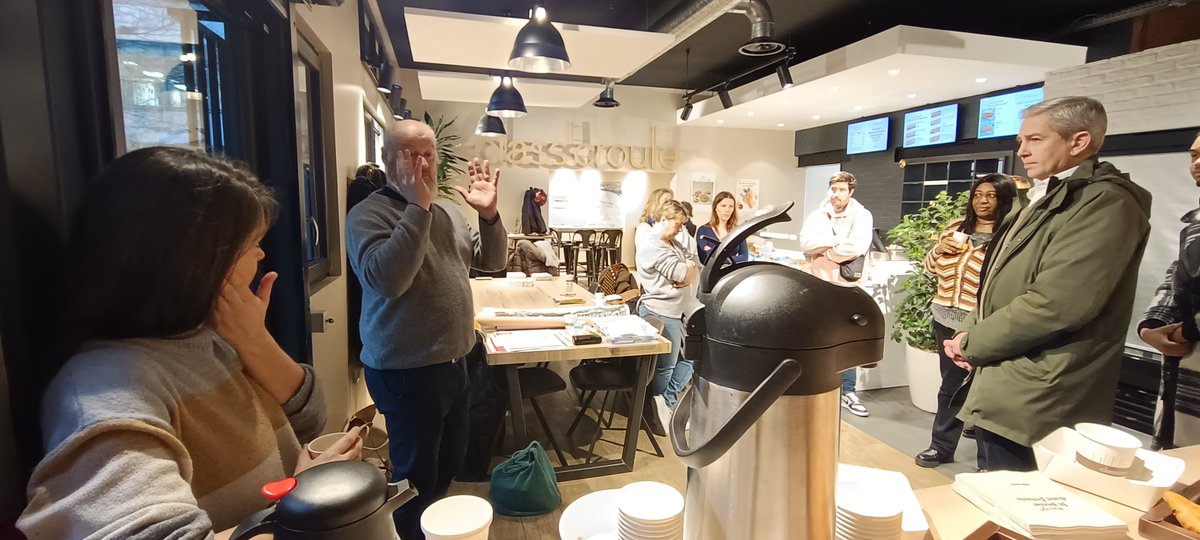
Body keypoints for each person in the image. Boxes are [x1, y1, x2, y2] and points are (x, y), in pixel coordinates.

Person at [18, 147, 359, 539]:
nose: (262, 256)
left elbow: (309, 418)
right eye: (252, 245)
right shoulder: (103, 390)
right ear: (194, 264)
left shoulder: (205, 334)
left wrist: (254, 340)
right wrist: (298, 506)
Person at [943, 96, 1152, 471]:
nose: (1021, 151)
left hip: (1042, 392)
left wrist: (973, 342)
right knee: (996, 500)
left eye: (1035, 140)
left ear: (1079, 141)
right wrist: (971, 335)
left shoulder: (1103, 204)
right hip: (1009, 382)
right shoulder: (1046, 196)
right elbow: (998, 285)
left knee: (1025, 512)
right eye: (1021, 141)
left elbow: (1056, 304)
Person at [345, 119, 506, 539]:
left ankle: (437, 532)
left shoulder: (450, 210)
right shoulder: (368, 214)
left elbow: (491, 263)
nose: (421, 163)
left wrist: (489, 216)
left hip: (458, 361)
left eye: (428, 154)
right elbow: (388, 280)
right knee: (414, 479)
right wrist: (417, 208)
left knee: (449, 464)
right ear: (387, 159)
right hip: (406, 369)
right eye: (409, 154)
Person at [914, 174, 1016, 469]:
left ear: (1004, 198)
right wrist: (937, 251)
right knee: (951, 386)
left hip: (982, 322)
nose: (982, 201)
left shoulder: (1009, 233)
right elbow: (930, 269)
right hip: (945, 317)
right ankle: (941, 446)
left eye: (991, 195)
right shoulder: (956, 229)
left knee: (985, 391)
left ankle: (988, 460)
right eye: (977, 195)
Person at [1138, 131, 1200, 451]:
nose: (1198, 164)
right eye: (1193, 155)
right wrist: (1151, 325)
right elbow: (1179, 273)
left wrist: (1191, 327)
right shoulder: (1195, 222)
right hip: (1183, 371)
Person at [798, 171, 875, 417]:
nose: (836, 194)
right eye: (833, 189)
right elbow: (806, 244)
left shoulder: (862, 216)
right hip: (819, 285)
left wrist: (826, 253)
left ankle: (848, 391)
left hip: (847, 287)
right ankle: (819, 384)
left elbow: (857, 246)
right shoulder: (817, 215)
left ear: (851, 191)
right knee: (819, 336)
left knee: (846, 339)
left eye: (841, 190)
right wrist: (836, 243)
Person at [635, 200, 701, 425]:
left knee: (689, 358)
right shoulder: (654, 245)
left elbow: (693, 264)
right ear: (664, 220)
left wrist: (688, 271)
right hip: (663, 312)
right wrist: (688, 273)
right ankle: (661, 408)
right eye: (678, 224)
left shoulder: (670, 242)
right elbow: (683, 273)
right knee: (667, 365)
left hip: (677, 311)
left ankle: (665, 403)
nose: (681, 229)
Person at [696, 190, 749, 267]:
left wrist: (716, 257)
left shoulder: (738, 231)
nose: (727, 210)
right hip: (710, 275)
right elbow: (704, 259)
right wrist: (732, 259)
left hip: (730, 274)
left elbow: (744, 257)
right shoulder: (703, 230)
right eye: (723, 206)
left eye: (731, 206)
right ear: (715, 207)